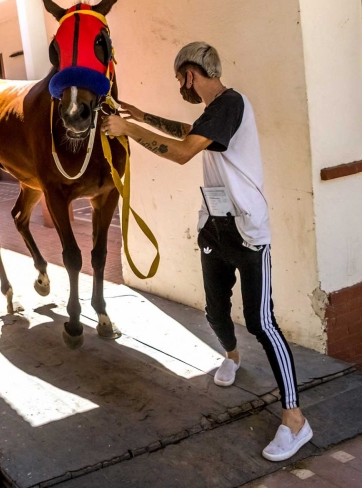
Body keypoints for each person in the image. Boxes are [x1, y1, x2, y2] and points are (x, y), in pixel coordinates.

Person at [102, 42, 312, 462]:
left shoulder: (230, 103)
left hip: (249, 232)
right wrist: (143, 117)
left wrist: (129, 131)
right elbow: (188, 133)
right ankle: (232, 357)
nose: (181, 85)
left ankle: (296, 420)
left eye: (181, 78)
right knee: (216, 312)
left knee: (261, 321)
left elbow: (181, 153)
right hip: (215, 229)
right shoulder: (215, 109)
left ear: (190, 74)